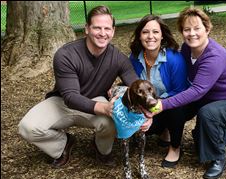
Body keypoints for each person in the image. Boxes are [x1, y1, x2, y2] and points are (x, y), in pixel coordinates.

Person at [18, 5, 152, 168]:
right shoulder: (66, 54)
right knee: (27, 127)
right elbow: (70, 97)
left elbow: (136, 86)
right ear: (87, 28)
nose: (103, 33)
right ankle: (63, 144)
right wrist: (105, 108)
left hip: (96, 98)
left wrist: (148, 114)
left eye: (107, 28)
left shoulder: (118, 58)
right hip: (62, 102)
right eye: (97, 27)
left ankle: (101, 148)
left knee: (112, 123)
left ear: (113, 31)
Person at [153, 7, 226, 179]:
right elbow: (179, 71)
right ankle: (171, 136)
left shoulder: (214, 57)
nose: (192, 33)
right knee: (192, 129)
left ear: (207, 29)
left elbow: (197, 90)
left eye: (197, 28)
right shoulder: (186, 49)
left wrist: (161, 104)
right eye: (186, 29)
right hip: (208, 100)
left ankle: (218, 158)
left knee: (207, 115)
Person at [129, 14, 189, 168]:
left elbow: (180, 93)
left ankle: (175, 147)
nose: (150, 36)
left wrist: (154, 112)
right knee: (143, 130)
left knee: (175, 110)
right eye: (145, 32)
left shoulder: (174, 58)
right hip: (148, 106)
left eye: (155, 32)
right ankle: (163, 129)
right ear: (139, 36)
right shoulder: (134, 58)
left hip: (175, 104)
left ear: (162, 35)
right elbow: (132, 88)